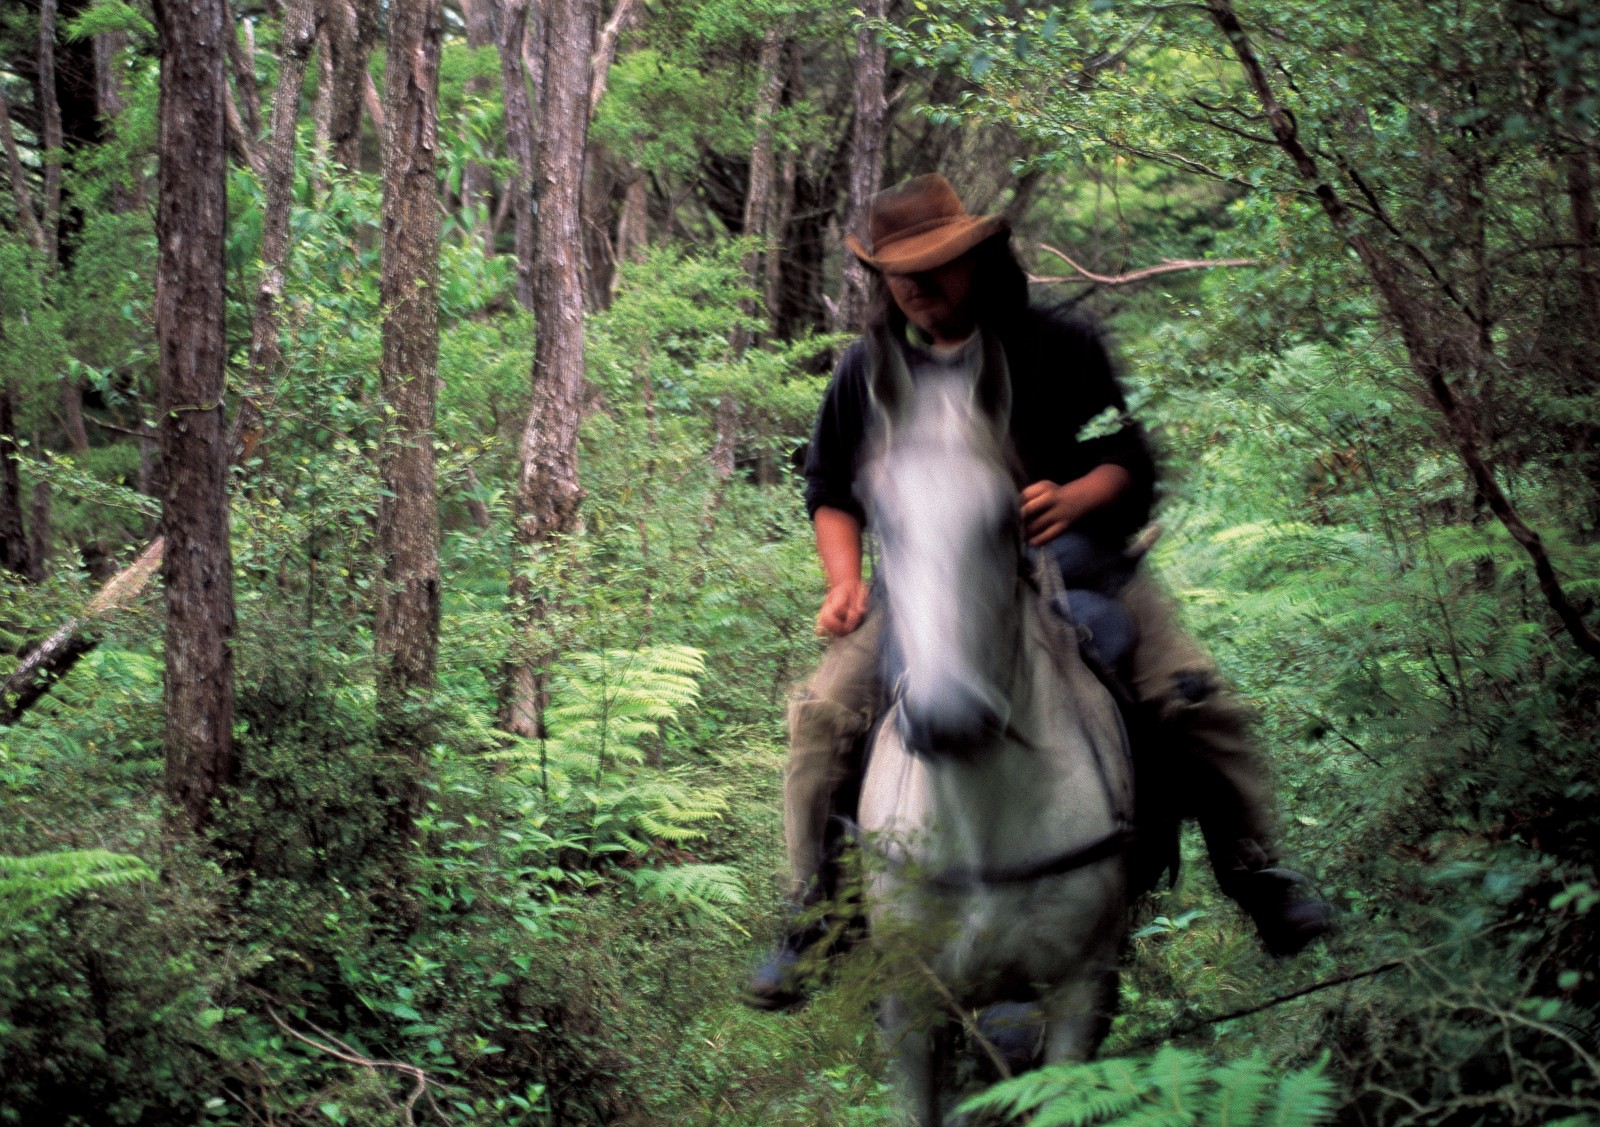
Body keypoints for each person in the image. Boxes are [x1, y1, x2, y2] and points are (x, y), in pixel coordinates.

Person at [745, 174, 1332, 1011]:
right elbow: (830, 487)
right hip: (926, 581)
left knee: (1191, 696)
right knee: (824, 716)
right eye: (898, 272)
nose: (917, 285)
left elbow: (1126, 456)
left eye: (935, 264)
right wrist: (844, 582)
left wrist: (1076, 496)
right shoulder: (866, 372)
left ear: (979, 258)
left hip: (1081, 561)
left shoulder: (1061, 344)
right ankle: (813, 911)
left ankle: (1254, 869)